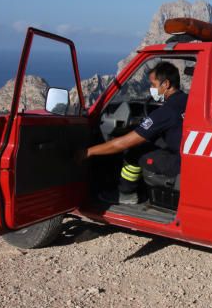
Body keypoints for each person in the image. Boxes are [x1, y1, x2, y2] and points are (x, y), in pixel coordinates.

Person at [79, 61, 188, 204]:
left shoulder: (165, 112)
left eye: (153, 85)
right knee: (150, 142)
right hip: (186, 153)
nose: (151, 89)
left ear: (166, 84)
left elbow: (122, 143)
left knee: (134, 152)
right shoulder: (185, 100)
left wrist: (88, 152)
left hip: (179, 163)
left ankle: (126, 193)